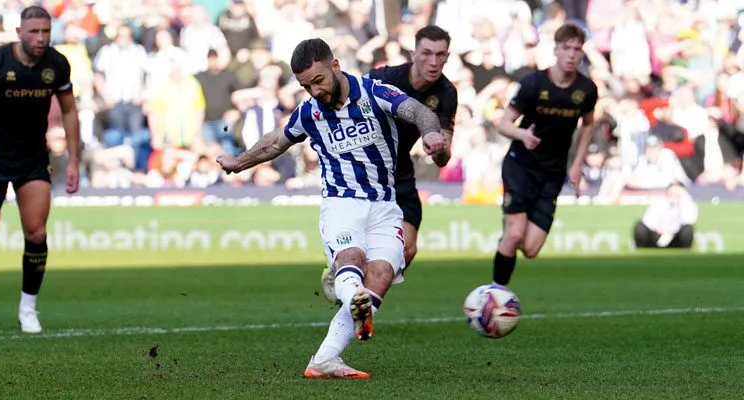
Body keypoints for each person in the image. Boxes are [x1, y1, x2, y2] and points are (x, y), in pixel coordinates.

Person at [216, 38, 446, 379]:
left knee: (380, 275)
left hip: (385, 204)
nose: (314, 91)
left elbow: (418, 111)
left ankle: (324, 359)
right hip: (342, 202)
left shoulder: (375, 94)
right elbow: (276, 142)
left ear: (335, 66)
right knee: (350, 259)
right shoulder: (310, 112)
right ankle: (354, 298)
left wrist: (430, 134)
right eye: (305, 86)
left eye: (318, 80)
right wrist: (238, 162)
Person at [0, 6, 80, 334]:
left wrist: (73, 160)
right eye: (34, 32)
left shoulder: (57, 64)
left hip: (32, 157)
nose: (41, 38)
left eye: (46, 32)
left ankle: (28, 307)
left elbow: (70, 112)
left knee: (36, 232)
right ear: (19, 33)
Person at [318, 26, 457, 301]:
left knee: (408, 250)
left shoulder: (447, 93)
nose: (433, 61)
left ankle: (360, 305)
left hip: (400, 172)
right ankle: (347, 279)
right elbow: (346, 100)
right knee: (358, 243)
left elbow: (444, 157)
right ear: (412, 53)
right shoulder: (385, 78)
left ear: (447, 57)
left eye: (440, 55)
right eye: (427, 53)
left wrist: (437, 149)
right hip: (365, 173)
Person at [490, 22, 598, 287]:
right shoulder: (533, 83)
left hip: (553, 172)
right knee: (515, 235)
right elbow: (504, 124)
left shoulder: (586, 90)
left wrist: (576, 164)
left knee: (531, 248)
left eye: (577, 49)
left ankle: (508, 238)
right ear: (556, 50)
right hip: (520, 165)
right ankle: (494, 295)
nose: (572, 54)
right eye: (566, 48)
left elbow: (588, 124)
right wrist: (523, 135)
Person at [633, 182, 697, 249]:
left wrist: (684, 200)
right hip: (657, 235)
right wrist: (658, 229)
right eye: (672, 192)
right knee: (639, 226)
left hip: (676, 238)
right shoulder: (658, 203)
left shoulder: (688, 205)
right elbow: (647, 221)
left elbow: (688, 221)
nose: (674, 195)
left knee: (688, 230)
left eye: (677, 193)